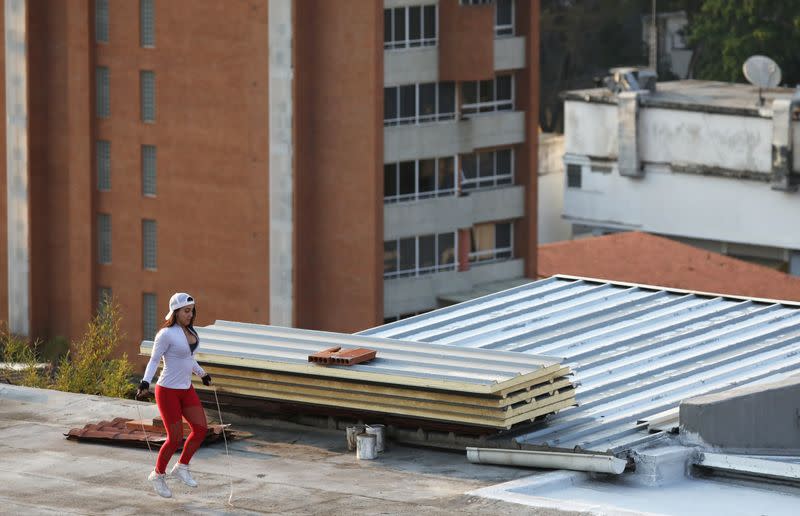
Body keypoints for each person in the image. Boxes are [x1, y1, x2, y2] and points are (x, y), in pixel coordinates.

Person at [136, 292, 212, 498]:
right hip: (167, 391)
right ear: (175, 312)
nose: (190, 314)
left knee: (201, 428)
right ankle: (157, 474)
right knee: (175, 437)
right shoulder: (166, 334)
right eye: (186, 311)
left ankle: (181, 467)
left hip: (186, 389)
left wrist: (202, 374)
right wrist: (145, 382)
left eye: (192, 311)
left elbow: (189, 358)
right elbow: (153, 360)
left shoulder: (190, 331)